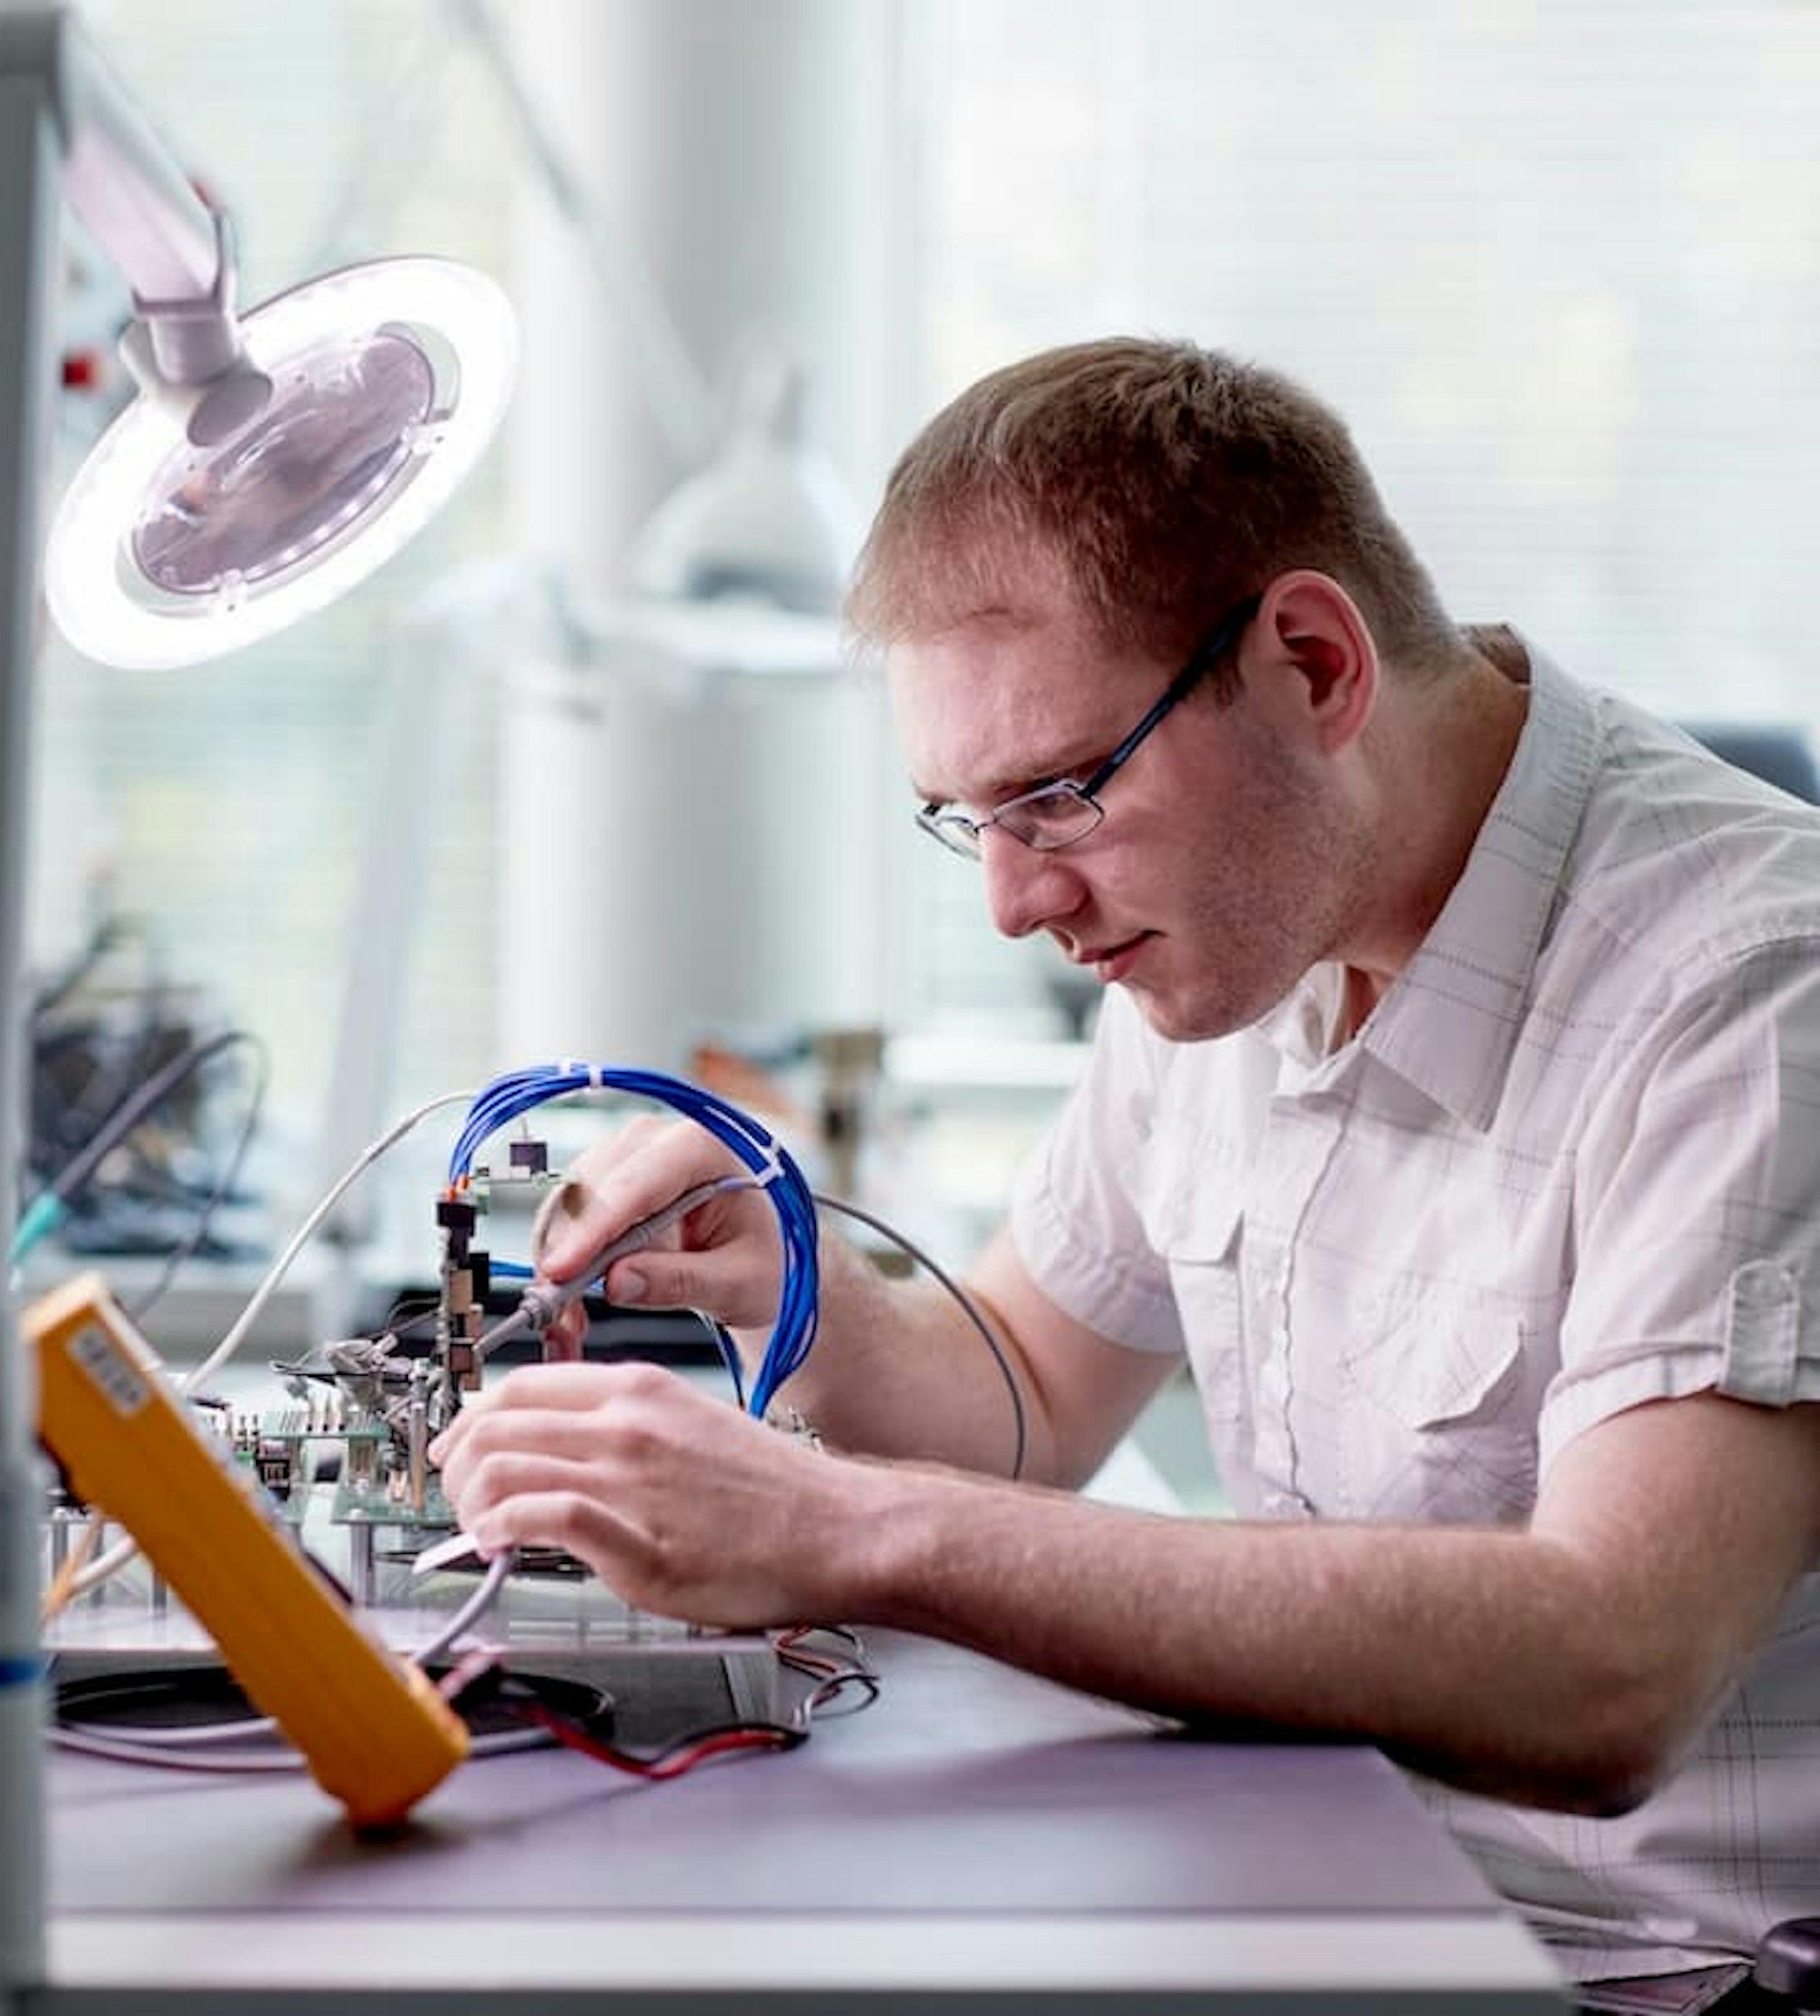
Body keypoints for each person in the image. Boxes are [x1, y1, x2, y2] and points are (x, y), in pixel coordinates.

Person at [429, 337, 1820, 2007]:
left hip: (1662, 1978)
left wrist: (854, 1523)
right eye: (971, 820)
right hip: (1330, 1888)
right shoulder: (1231, 936)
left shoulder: (1746, 987)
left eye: (1061, 796)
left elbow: (1615, 1667)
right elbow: (1021, 1388)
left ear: (1314, 663)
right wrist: (789, 1268)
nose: (1018, 902)